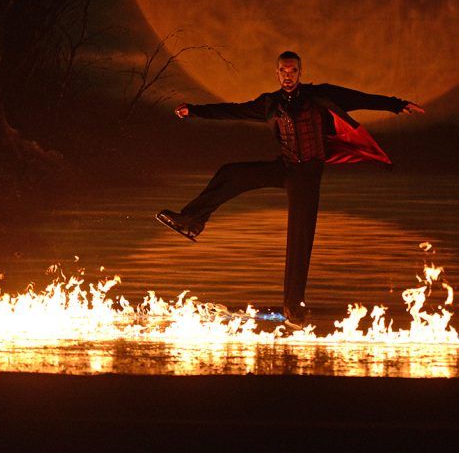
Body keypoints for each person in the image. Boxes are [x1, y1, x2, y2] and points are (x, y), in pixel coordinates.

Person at [156, 51, 425, 324]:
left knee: (299, 239)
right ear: (277, 73)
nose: (288, 76)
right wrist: (195, 110)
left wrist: (397, 104)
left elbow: (361, 98)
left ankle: (293, 309)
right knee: (231, 173)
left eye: (293, 71)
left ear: (300, 72)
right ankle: (192, 220)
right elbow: (233, 109)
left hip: (307, 175)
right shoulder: (270, 103)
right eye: (283, 71)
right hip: (285, 167)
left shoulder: (320, 96)